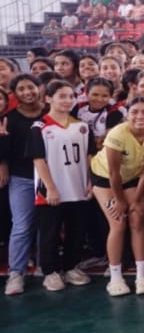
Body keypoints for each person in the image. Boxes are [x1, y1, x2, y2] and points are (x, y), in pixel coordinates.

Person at [30, 80, 94, 291]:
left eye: (70, 96)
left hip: (78, 188)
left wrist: (90, 181)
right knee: (50, 232)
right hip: (52, 191)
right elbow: (39, 160)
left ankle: (70, 267)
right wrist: (51, 188)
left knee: (77, 231)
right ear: (48, 98)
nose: (67, 100)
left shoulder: (82, 126)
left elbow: (89, 155)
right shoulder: (40, 127)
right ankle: (50, 272)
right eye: (62, 96)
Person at [91, 96, 144, 296]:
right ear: (127, 114)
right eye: (134, 112)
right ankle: (115, 277)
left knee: (138, 220)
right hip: (105, 178)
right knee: (118, 223)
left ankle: (141, 275)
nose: (140, 116)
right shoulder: (117, 134)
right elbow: (113, 173)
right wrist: (120, 201)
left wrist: (137, 198)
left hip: (133, 179)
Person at [3, 75, 46, 296]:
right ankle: (16, 273)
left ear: (39, 88)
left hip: (50, 177)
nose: (28, 92)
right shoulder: (10, 118)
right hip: (22, 177)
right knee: (21, 225)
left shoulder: (51, 111)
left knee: (46, 224)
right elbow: (6, 149)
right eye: (21, 89)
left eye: (31, 87)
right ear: (15, 93)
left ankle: (44, 266)